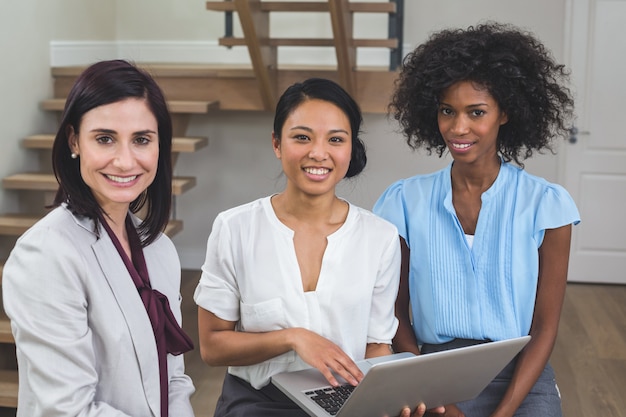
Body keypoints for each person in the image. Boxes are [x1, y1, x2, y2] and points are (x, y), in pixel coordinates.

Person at [194, 78, 444, 417]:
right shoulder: (235, 228)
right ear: (277, 144)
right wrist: (293, 338)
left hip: (347, 401)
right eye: (302, 137)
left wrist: (387, 398)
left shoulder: (380, 237)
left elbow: (377, 345)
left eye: (335, 140)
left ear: (350, 149)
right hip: (257, 403)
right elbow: (212, 346)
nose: (318, 153)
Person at [373, 22, 580, 417]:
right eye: (447, 111)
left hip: (521, 371)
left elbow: (545, 326)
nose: (458, 127)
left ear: (506, 113)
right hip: (430, 369)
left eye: (476, 112)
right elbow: (393, 313)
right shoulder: (402, 202)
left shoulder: (547, 205)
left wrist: (503, 413)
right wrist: (432, 393)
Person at [2, 59, 195, 416]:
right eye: (105, 139)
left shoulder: (160, 250)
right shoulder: (45, 255)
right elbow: (67, 409)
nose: (124, 161)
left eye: (141, 140)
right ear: (74, 140)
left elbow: (175, 378)